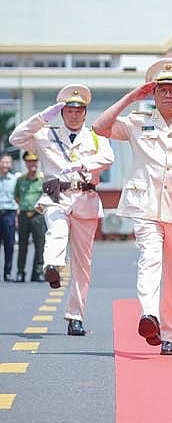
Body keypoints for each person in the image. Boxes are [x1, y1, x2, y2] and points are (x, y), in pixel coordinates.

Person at [93, 59, 172, 356]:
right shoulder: (138, 121)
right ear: (153, 93)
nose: (169, 95)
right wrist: (131, 97)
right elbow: (99, 126)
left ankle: (170, 332)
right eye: (162, 90)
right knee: (150, 259)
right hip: (145, 205)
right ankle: (149, 314)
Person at [9, 84, 114, 336]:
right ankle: (52, 267)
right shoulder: (46, 133)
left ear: (85, 113)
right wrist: (43, 116)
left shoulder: (96, 136)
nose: (74, 114)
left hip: (85, 197)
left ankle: (75, 316)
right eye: (68, 110)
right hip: (56, 197)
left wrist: (81, 165)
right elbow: (17, 138)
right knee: (56, 230)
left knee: (82, 264)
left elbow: (108, 158)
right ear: (62, 111)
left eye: (79, 110)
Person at [13, 151, 46, 282]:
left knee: (40, 245)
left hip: (37, 216)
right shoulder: (21, 180)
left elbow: (46, 196)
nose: (32, 164)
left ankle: (37, 272)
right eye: (29, 161)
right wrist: (24, 206)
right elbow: (16, 196)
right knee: (22, 245)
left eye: (34, 161)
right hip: (24, 216)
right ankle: (20, 272)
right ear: (26, 163)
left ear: (37, 163)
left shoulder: (43, 179)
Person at [0, 153, 17, 281]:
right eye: (3, 162)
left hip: (9, 214)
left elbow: (18, 196)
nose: (5, 165)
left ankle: (7, 272)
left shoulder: (15, 179)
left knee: (9, 245)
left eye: (8, 162)